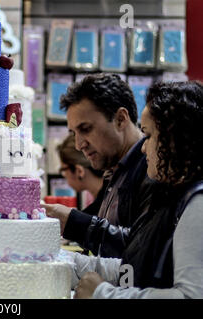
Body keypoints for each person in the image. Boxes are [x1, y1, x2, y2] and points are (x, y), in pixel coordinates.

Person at [71, 81, 203, 298]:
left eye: (149, 136)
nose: (143, 147)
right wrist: (73, 266)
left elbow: (190, 295)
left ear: (174, 140)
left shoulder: (196, 202)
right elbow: (135, 267)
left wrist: (103, 294)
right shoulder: (171, 195)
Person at [42, 73, 156, 258]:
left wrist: (74, 223)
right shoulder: (116, 171)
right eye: (74, 134)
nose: (79, 145)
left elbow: (142, 249)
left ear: (120, 119)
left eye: (85, 129)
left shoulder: (151, 170)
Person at [58, 133, 104, 213]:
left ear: (79, 171)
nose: (64, 175)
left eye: (64, 170)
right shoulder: (93, 197)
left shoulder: (101, 208)